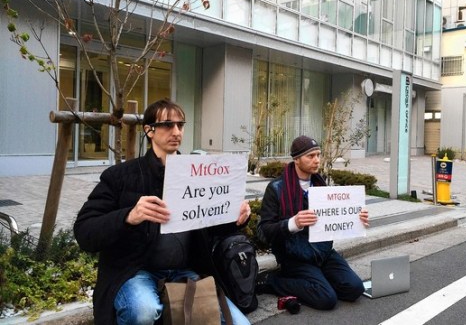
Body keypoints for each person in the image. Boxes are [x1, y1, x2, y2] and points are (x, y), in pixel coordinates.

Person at [74, 98, 251, 325]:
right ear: (149, 131)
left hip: (185, 270)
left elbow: (210, 226)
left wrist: (234, 218)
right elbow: (84, 231)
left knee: (241, 323)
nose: (176, 131)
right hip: (135, 271)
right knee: (143, 310)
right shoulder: (120, 176)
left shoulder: (198, 174)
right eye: (167, 125)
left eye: (180, 125)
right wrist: (128, 216)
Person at [256, 135, 369, 310]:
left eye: (318, 155)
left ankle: (319, 278)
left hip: (323, 252)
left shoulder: (321, 186)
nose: (317, 160)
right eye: (311, 156)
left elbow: (335, 217)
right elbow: (263, 231)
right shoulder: (276, 188)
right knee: (326, 299)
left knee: (355, 289)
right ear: (296, 159)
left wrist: (356, 218)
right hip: (295, 255)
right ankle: (272, 281)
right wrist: (292, 223)